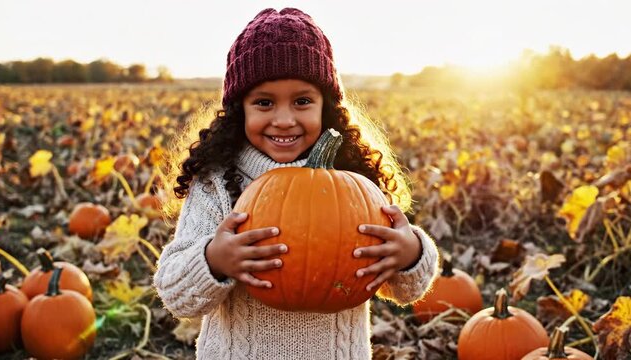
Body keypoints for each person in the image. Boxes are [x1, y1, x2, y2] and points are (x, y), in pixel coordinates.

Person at [153, 7, 439, 360]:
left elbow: (406, 290)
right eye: (264, 102)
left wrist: (410, 253)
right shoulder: (217, 185)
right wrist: (214, 259)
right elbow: (175, 294)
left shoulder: (358, 184)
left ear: (326, 106)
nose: (284, 119)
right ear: (240, 109)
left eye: (302, 101)